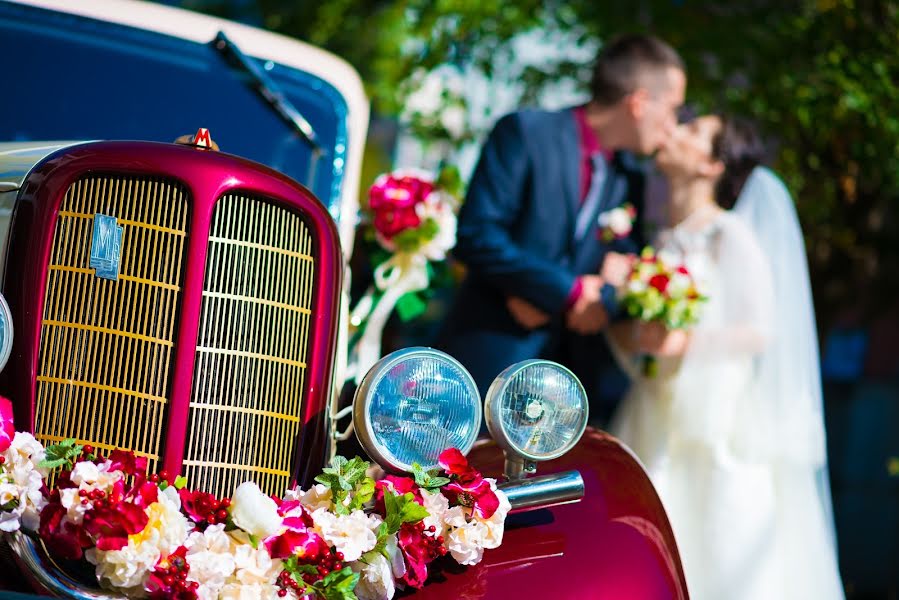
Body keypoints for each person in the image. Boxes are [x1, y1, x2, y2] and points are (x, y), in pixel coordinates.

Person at [608, 115, 845, 599]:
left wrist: (683, 344)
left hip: (716, 412)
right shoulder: (664, 238)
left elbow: (760, 331)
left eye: (694, 132)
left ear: (712, 164)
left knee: (717, 529)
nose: (677, 131)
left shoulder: (729, 234)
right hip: (655, 403)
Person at [436, 34, 685, 422]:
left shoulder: (629, 178)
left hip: (568, 392)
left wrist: (600, 294)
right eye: (672, 110)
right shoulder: (526, 133)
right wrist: (563, 291)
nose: (672, 127)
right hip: (488, 362)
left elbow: (624, 273)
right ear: (638, 103)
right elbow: (476, 234)